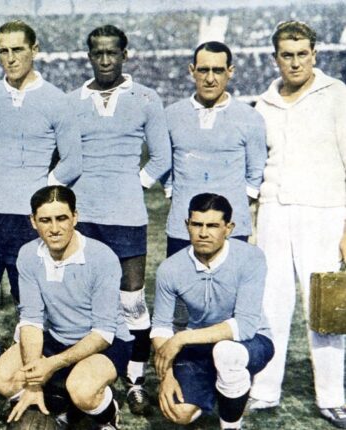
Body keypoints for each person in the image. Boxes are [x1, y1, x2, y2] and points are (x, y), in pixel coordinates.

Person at [67, 24, 170, 414]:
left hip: (126, 216)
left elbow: (161, 157)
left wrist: (133, 183)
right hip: (84, 217)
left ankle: (136, 378)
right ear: (89, 56)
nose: (105, 59)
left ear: (125, 55)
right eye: (98, 53)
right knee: (88, 299)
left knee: (131, 301)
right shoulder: (71, 101)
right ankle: (89, 372)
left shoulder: (145, 97)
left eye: (112, 52)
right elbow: (63, 157)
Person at [248, 21, 346, 428]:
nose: (294, 62)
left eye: (302, 54)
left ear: (314, 55)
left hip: (324, 213)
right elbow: (259, 169)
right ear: (275, 59)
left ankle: (332, 397)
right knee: (271, 303)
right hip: (274, 213)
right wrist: (255, 225)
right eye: (286, 55)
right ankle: (264, 390)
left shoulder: (337, 95)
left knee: (324, 306)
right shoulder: (264, 104)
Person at [0, 186, 132, 430]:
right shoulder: (28, 254)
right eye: (45, 220)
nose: (54, 228)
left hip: (104, 341)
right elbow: (31, 320)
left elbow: (104, 332)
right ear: (33, 221)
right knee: (2, 377)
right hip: (56, 336)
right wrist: (33, 383)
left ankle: (107, 414)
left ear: (75, 217)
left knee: (82, 389)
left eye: (62, 218)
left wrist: (53, 364)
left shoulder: (102, 257)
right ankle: (58, 407)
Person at [0, 20, 82, 303]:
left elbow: (72, 162)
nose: (10, 58)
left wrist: (40, 192)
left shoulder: (56, 100)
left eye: (17, 49)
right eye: (3, 51)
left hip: (27, 218)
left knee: (29, 298)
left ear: (34, 49)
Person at [151, 193, 273, 430]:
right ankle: (224, 389)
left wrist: (181, 338)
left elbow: (245, 326)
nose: (203, 233)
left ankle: (231, 424)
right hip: (199, 346)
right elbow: (161, 327)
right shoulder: (170, 268)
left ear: (229, 228)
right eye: (197, 224)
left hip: (250, 341)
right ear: (187, 225)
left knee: (226, 353)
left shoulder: (250, 257)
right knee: (178, 412)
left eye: (213, 226)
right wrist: (167, 375)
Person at [164, 41, 266, 257]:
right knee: (182, 277)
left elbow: (256, 169)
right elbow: (163, 162)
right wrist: (174, 193)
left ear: (230, 71)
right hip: (183, 226)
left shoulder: (250, 117)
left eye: (218, 70)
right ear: (192, 71)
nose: (210, 78)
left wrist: (239, 202)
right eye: (203, 70)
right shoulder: (171, 115)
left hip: (231, 227)